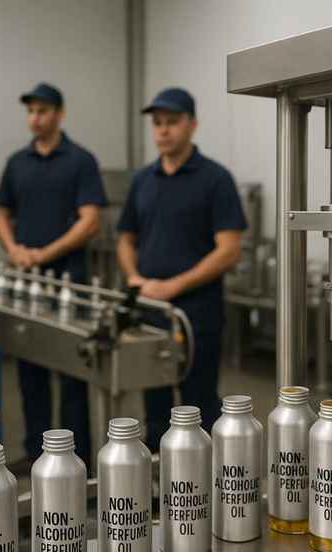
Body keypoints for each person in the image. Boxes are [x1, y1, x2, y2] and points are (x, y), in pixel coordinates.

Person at [117, 88, 246, 450]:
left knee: (198, 408)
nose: (163, 130)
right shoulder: (142, 180)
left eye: (172, 122)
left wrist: (174, 286)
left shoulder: (215, 179)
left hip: (198, 314)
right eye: (157, 123)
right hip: (151, 313)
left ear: (192, 124)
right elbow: (125, 239)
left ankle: (200, 480)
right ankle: (159, 474)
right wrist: (134, 277)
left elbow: (229, 250)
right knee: (155, 409)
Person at [0, 82, 107, 469]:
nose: (35, 118)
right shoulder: (17, 163)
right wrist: (14, 249)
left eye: (42, 111)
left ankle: (76, 458)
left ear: (59, 114)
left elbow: (90, 221)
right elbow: (1, 215)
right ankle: (37, 452)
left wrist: (45, 254)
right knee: (30, 368)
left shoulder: (80, 161)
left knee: (72, 371)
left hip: (70, 282)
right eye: (31, 111)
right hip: (28, 282)